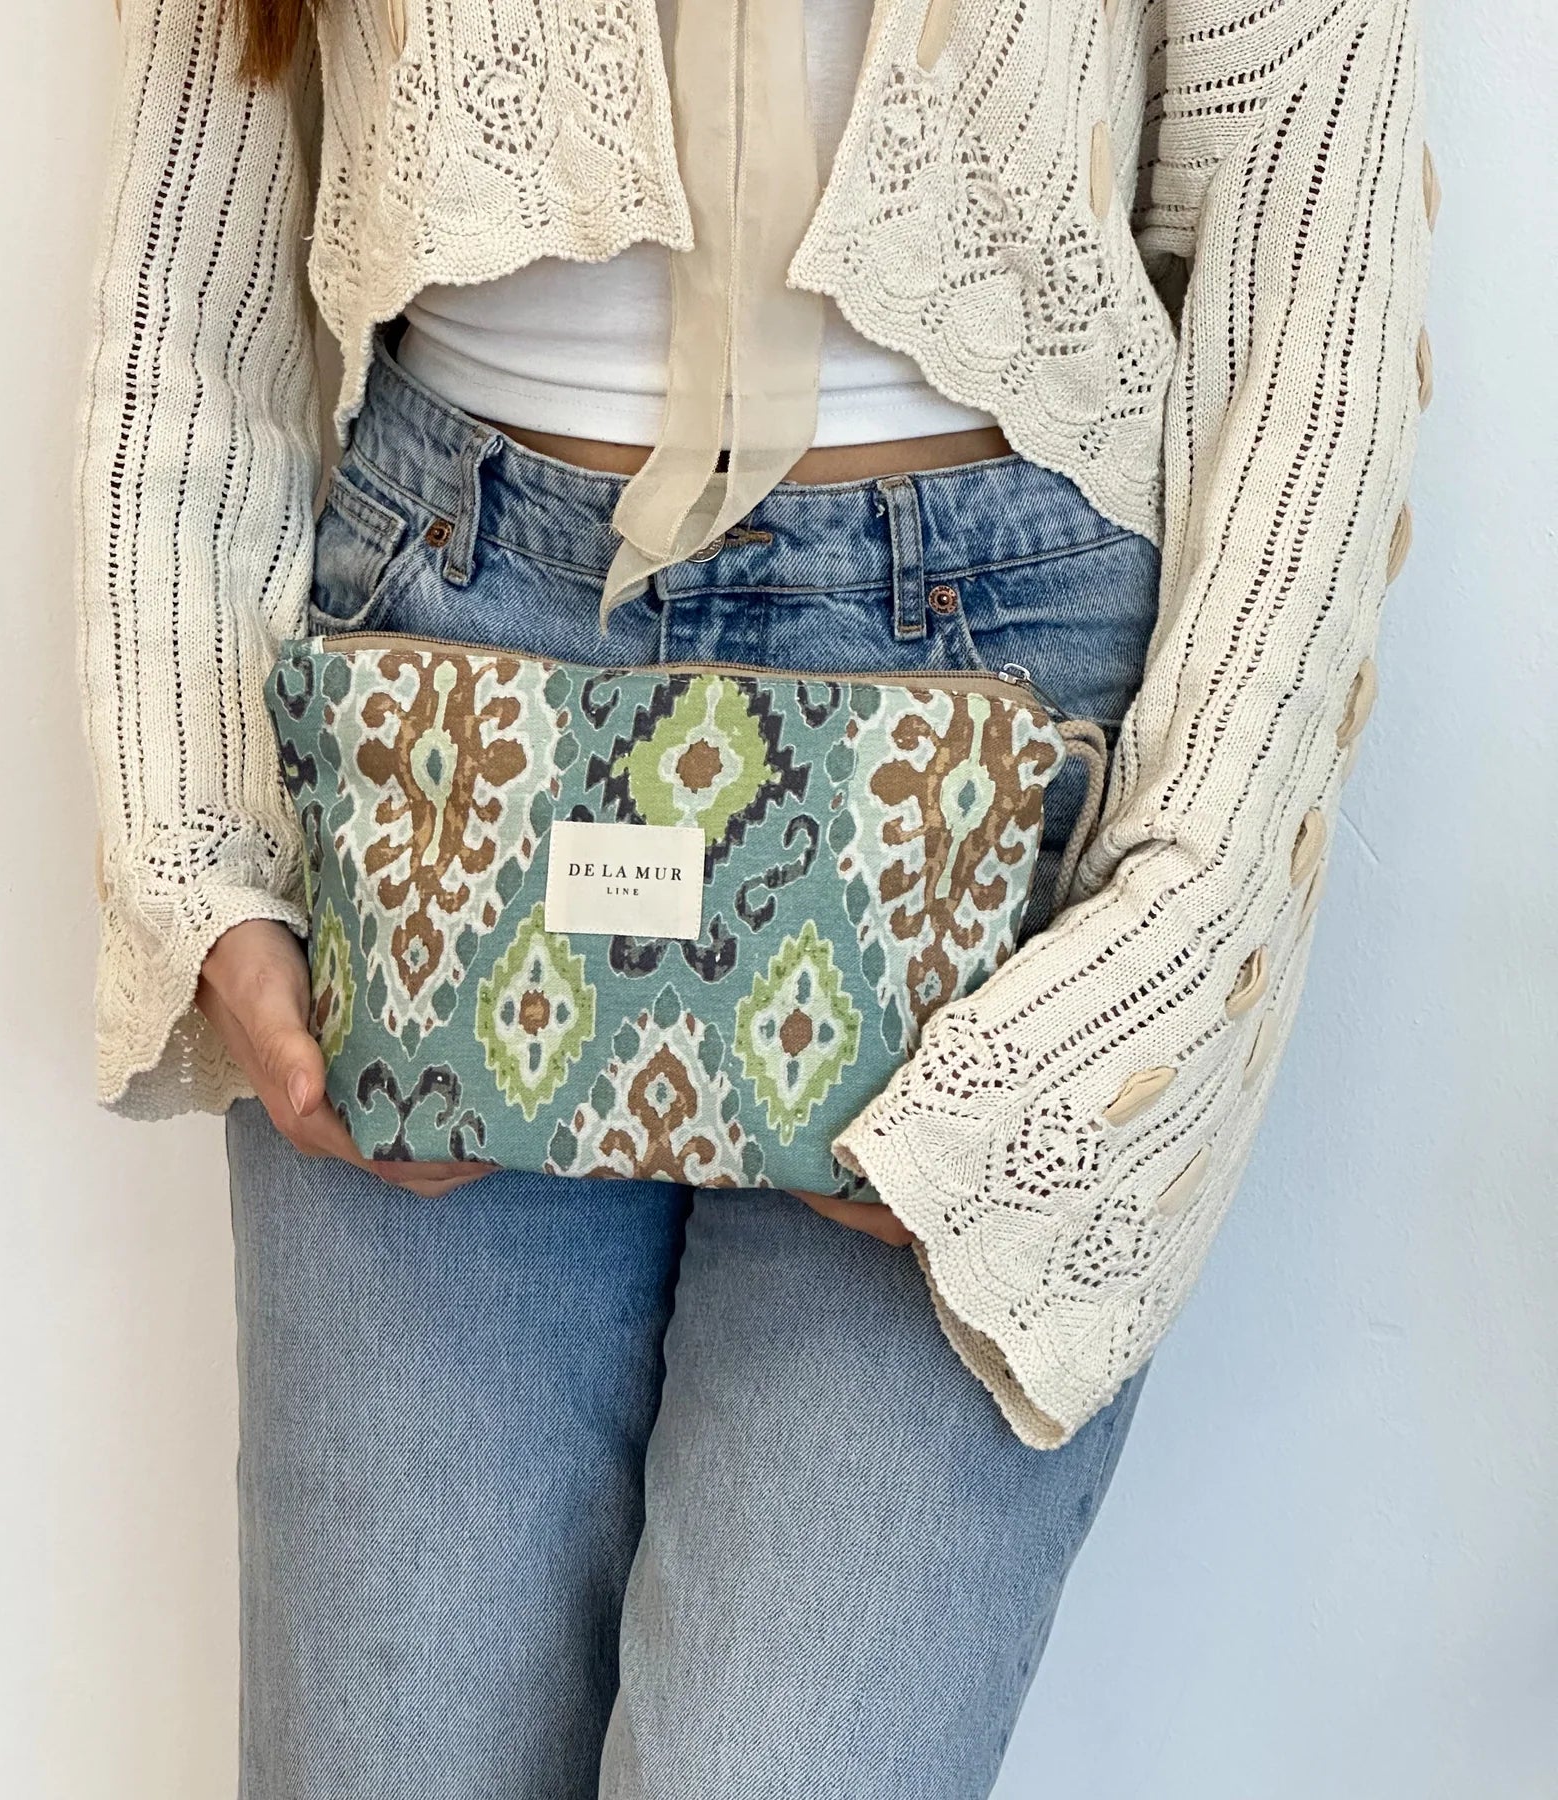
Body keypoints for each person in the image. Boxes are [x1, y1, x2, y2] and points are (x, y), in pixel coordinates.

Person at [73, 0, 1433, 1792]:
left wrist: (1140, 981)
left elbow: (1314, 315)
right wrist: (199, 844)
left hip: (987, 772)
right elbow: (189, 260)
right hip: (442, 712)